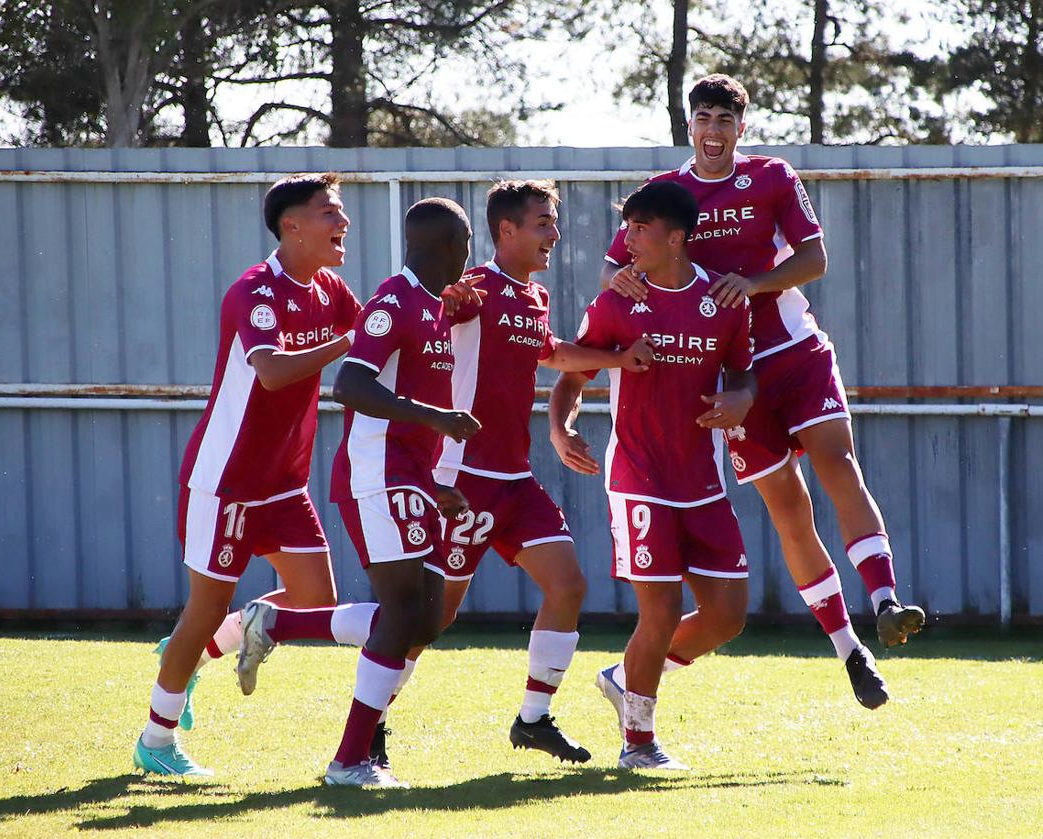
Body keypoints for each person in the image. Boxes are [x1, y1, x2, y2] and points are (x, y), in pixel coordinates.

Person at [601, 74, 923, 709]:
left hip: (793, 351)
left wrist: (752, 284)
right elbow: (616, 263)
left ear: (740, 128)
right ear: (688, 125)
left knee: (837, 460)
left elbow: (815, 259)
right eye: (704, 118)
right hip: (732, 376)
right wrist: (624, 283)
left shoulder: (773, 176)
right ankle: (850, 650)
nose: (714, 129)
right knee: (787, 507)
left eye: (725, 119)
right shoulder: (667, 193)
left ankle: (885, 598)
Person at [376, 180, 657, 767]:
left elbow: (549, 351)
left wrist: (614, 360)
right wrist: (442, 306)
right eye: (542, 223)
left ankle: (533, 719)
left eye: (552, 222)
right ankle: (370, 721)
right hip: (463, 477)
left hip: (513, 478)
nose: (554, 233)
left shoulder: (533, 296)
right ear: (506, 231)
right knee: (432, 618)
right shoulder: (473, 288)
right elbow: (430, 312)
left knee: (569, 585)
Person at [242, 198, 482, 788]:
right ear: (450, 244)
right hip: (375, 472)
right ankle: (350, 760)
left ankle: (276, 626)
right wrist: (438, 419)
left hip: (409, 475)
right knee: (403, 614)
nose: (470, 253)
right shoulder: (393, 302)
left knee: (424, 620)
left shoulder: (434, 308)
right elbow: (349, 385)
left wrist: (434, 483)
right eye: (468, 241)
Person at [133, 173, 365, 777]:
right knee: (203, 609)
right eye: (328, 213)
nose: (342, 224)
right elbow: (271, 371)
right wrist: (345, 342)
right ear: (291, 226)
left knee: (317, 600)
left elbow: (374, 339)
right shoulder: (254, 290)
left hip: (285, 484)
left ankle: (206, 646)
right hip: (226, 482)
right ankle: (155, 742)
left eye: (340, 213)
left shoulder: (332, 289)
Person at [551, 180, 757, 769]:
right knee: (660, 612)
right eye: (628, 227)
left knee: (728, 616)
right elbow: (572, 371)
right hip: (638, 477)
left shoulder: (722, 303)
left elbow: (744, 375)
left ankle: (625, 677)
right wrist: (559, 428)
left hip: (703, 482)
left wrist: (741, 399)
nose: (629, 239)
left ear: (676, 237)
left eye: (641, 229)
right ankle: (638, 743)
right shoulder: (617, 301)